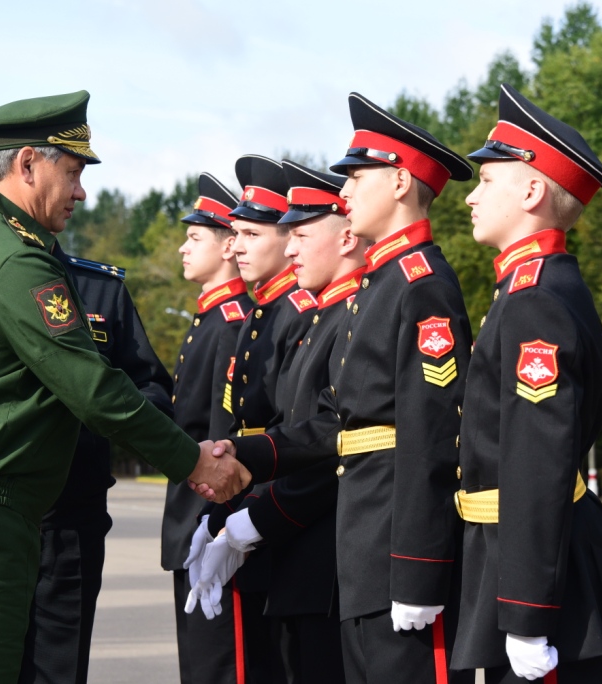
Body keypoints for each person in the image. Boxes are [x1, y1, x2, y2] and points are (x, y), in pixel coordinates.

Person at [0, 90, 246, 684]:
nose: (81, 191)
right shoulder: (12, 259)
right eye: (72, 172)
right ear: (28, 164)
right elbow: (95, 390)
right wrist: (194, 462)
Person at [216, 93, 475, 684]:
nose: (348, 190)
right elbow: (341, 424)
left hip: (395, 553)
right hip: (362, 548)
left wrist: (419, 568)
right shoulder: (379, 286)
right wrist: (248, 452)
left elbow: (431, 438)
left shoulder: (421, 286)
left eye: (360, 176)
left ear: (403, 183)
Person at [450, 83, 602, 683]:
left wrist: (528, 611)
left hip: (539, 579)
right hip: (517, 563)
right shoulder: (527, 290)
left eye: (487, 181)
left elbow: (536, 461)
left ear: (532, 190)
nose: (469, 199)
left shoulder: (535, 301)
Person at [199, 160, 367, 683]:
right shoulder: (321, 318)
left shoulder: (347, 316)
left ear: (345, 237)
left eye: (300, 233)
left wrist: (254, 521)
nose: (291, 247)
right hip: (296, 546)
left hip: (326, 550)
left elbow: (337, 443)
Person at [187, 154, 319, 683]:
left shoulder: (296, 314)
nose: (234, 245)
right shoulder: (263, 314)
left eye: (248, 233)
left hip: (280, 525)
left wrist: (245, 523)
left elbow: (300, 436)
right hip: (251, 513)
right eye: (233, 233)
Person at [161, 172, 252, 684]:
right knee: (199, 663)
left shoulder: (232, 323)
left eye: (195, 238)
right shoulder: (210, 320)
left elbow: (222, 434)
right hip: (192, 518)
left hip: (209, 517)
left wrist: (217, 526)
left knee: (222, 665)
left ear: (228, 247)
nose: (181, 248)